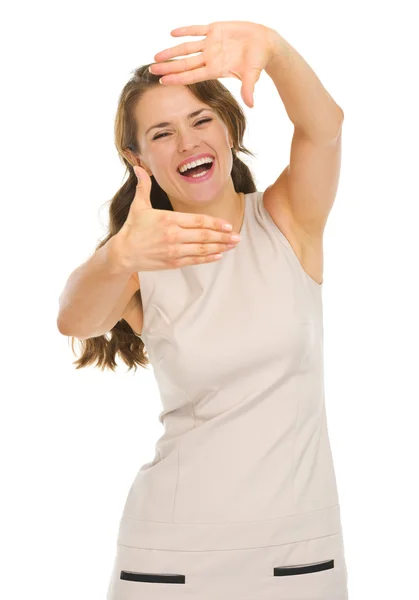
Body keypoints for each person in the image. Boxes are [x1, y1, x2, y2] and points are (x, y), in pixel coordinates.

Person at [57, 21, 348, 600]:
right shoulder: (142, 253)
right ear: (135, 156)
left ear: (230, 127)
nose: (187, 143)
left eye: (200, 120)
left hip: (298, 554)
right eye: (161, 133)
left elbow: (325, 127)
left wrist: (274, 50)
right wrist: (119, 257)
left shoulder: (288, 220)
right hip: (169, 558)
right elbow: (75, 319)